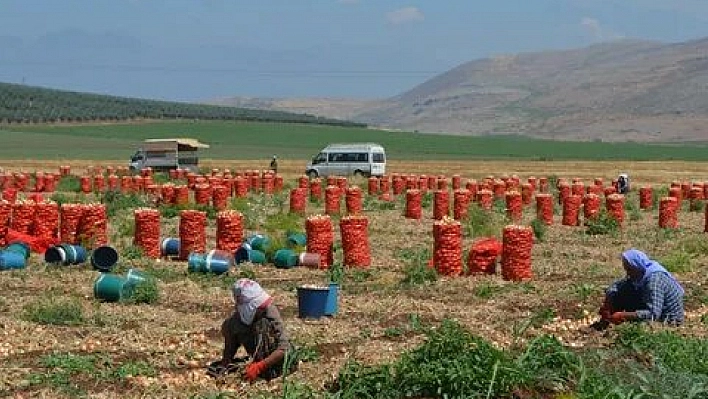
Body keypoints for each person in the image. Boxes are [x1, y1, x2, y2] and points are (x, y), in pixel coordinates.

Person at [216, 278, 294, 381]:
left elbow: (284, 347)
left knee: (263, 325)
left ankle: (269, 372)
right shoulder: (237, 319)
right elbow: (230, 342)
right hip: (256, 356)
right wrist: (225, 364)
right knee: (229, 325)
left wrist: (260, 366)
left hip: (276, 362)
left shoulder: (270, 312)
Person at [593, 249, 684, 330]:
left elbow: (653, 314)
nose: (628, 274)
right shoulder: (641, 273)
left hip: (667, 319)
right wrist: (608, 303)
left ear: (637, 267)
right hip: (656, 311)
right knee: (622, 291)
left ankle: (617, 320)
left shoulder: (654, 282)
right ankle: (608, 319)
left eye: (629, 270)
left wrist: (624, 315)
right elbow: (618, 286)